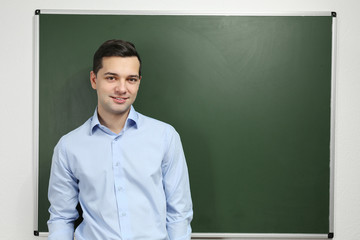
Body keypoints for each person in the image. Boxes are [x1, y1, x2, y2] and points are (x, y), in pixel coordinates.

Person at [47, 39, 193, 240]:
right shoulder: (68, 146)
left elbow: (179, 213)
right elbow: (61, 217)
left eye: (131, 79)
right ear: (94, 80)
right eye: (111, 78)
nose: (122, 88)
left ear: (139, 82)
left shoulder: (165, 137)